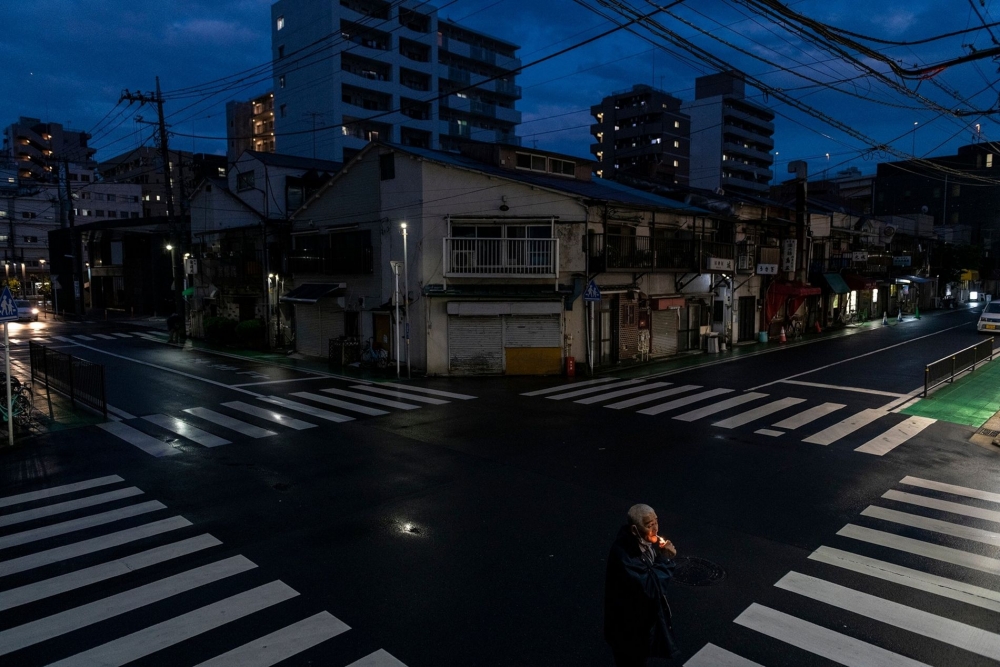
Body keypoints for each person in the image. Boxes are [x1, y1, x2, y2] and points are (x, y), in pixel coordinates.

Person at [604, 504, 679, 666]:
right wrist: (665, 559)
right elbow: (650, 588)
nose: (655, 529)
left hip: (639, 624)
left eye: (656, 522)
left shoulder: (642, 543)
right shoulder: (626, 555)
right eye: (649, 525)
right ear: (634, 530)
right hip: (627, 630)